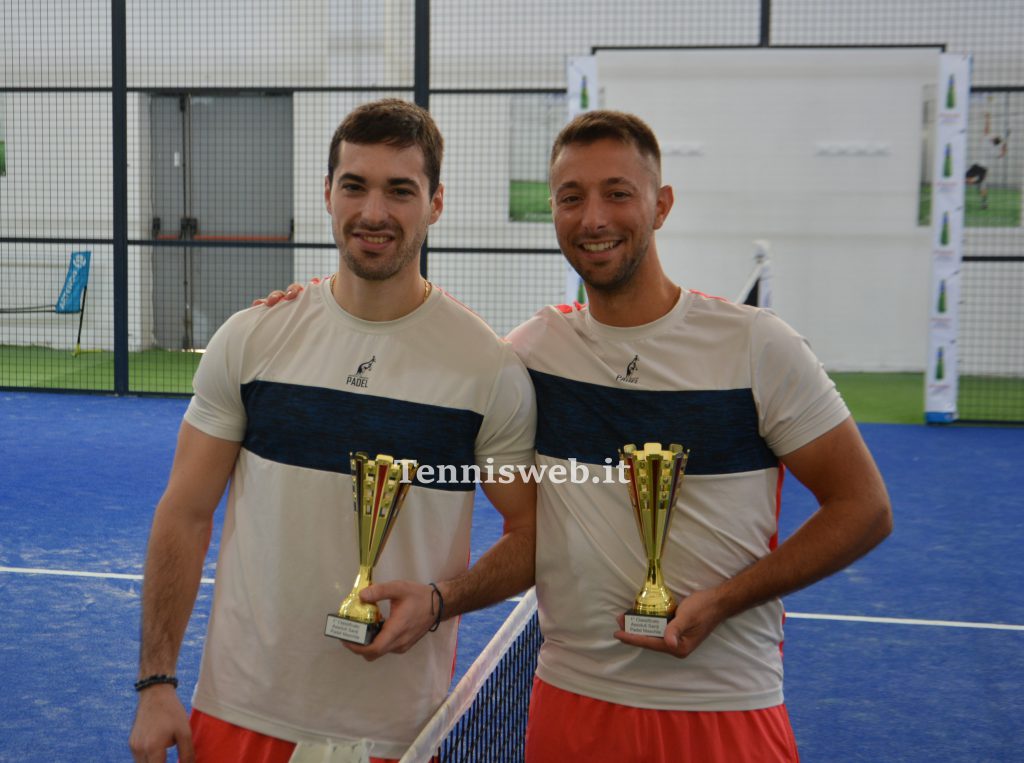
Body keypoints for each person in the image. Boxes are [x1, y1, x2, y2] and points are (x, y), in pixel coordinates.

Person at [260, 110, 893, 763]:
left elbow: (864, 507)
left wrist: (722, 602)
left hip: (726, 708)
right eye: (571, 197)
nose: (593, 217)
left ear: (661, 204)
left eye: (617, 193)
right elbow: (410, 354)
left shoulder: (758, 346)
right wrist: (314, 312)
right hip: (569, 708)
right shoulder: (530, 357)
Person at [128, 99, 537, 763]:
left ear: (436, 204)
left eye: (400, 190)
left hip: (397, 735)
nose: (374, 212)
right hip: (237, 713)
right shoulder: (253, 338)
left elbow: (534, 533)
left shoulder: (486, 368)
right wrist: (155, 682)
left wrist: (440, 602)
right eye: (355, 185)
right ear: (327, 194)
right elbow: (185, 511)